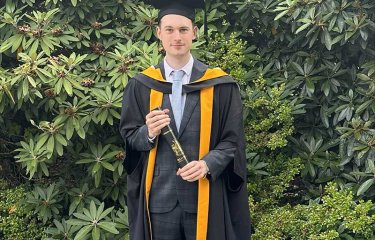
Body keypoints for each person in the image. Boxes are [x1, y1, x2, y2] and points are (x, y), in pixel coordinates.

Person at [119, 0, 251, 239]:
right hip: (158, 202)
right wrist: (148, 132)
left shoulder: (220, 85)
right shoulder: (141, 85)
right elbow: (129, 138)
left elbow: (232, 142)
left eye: (183, 29)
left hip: (205, 198)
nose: (176, 36)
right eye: (169, 30)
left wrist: (207, 164)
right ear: (159, 33)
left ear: (194, 33)